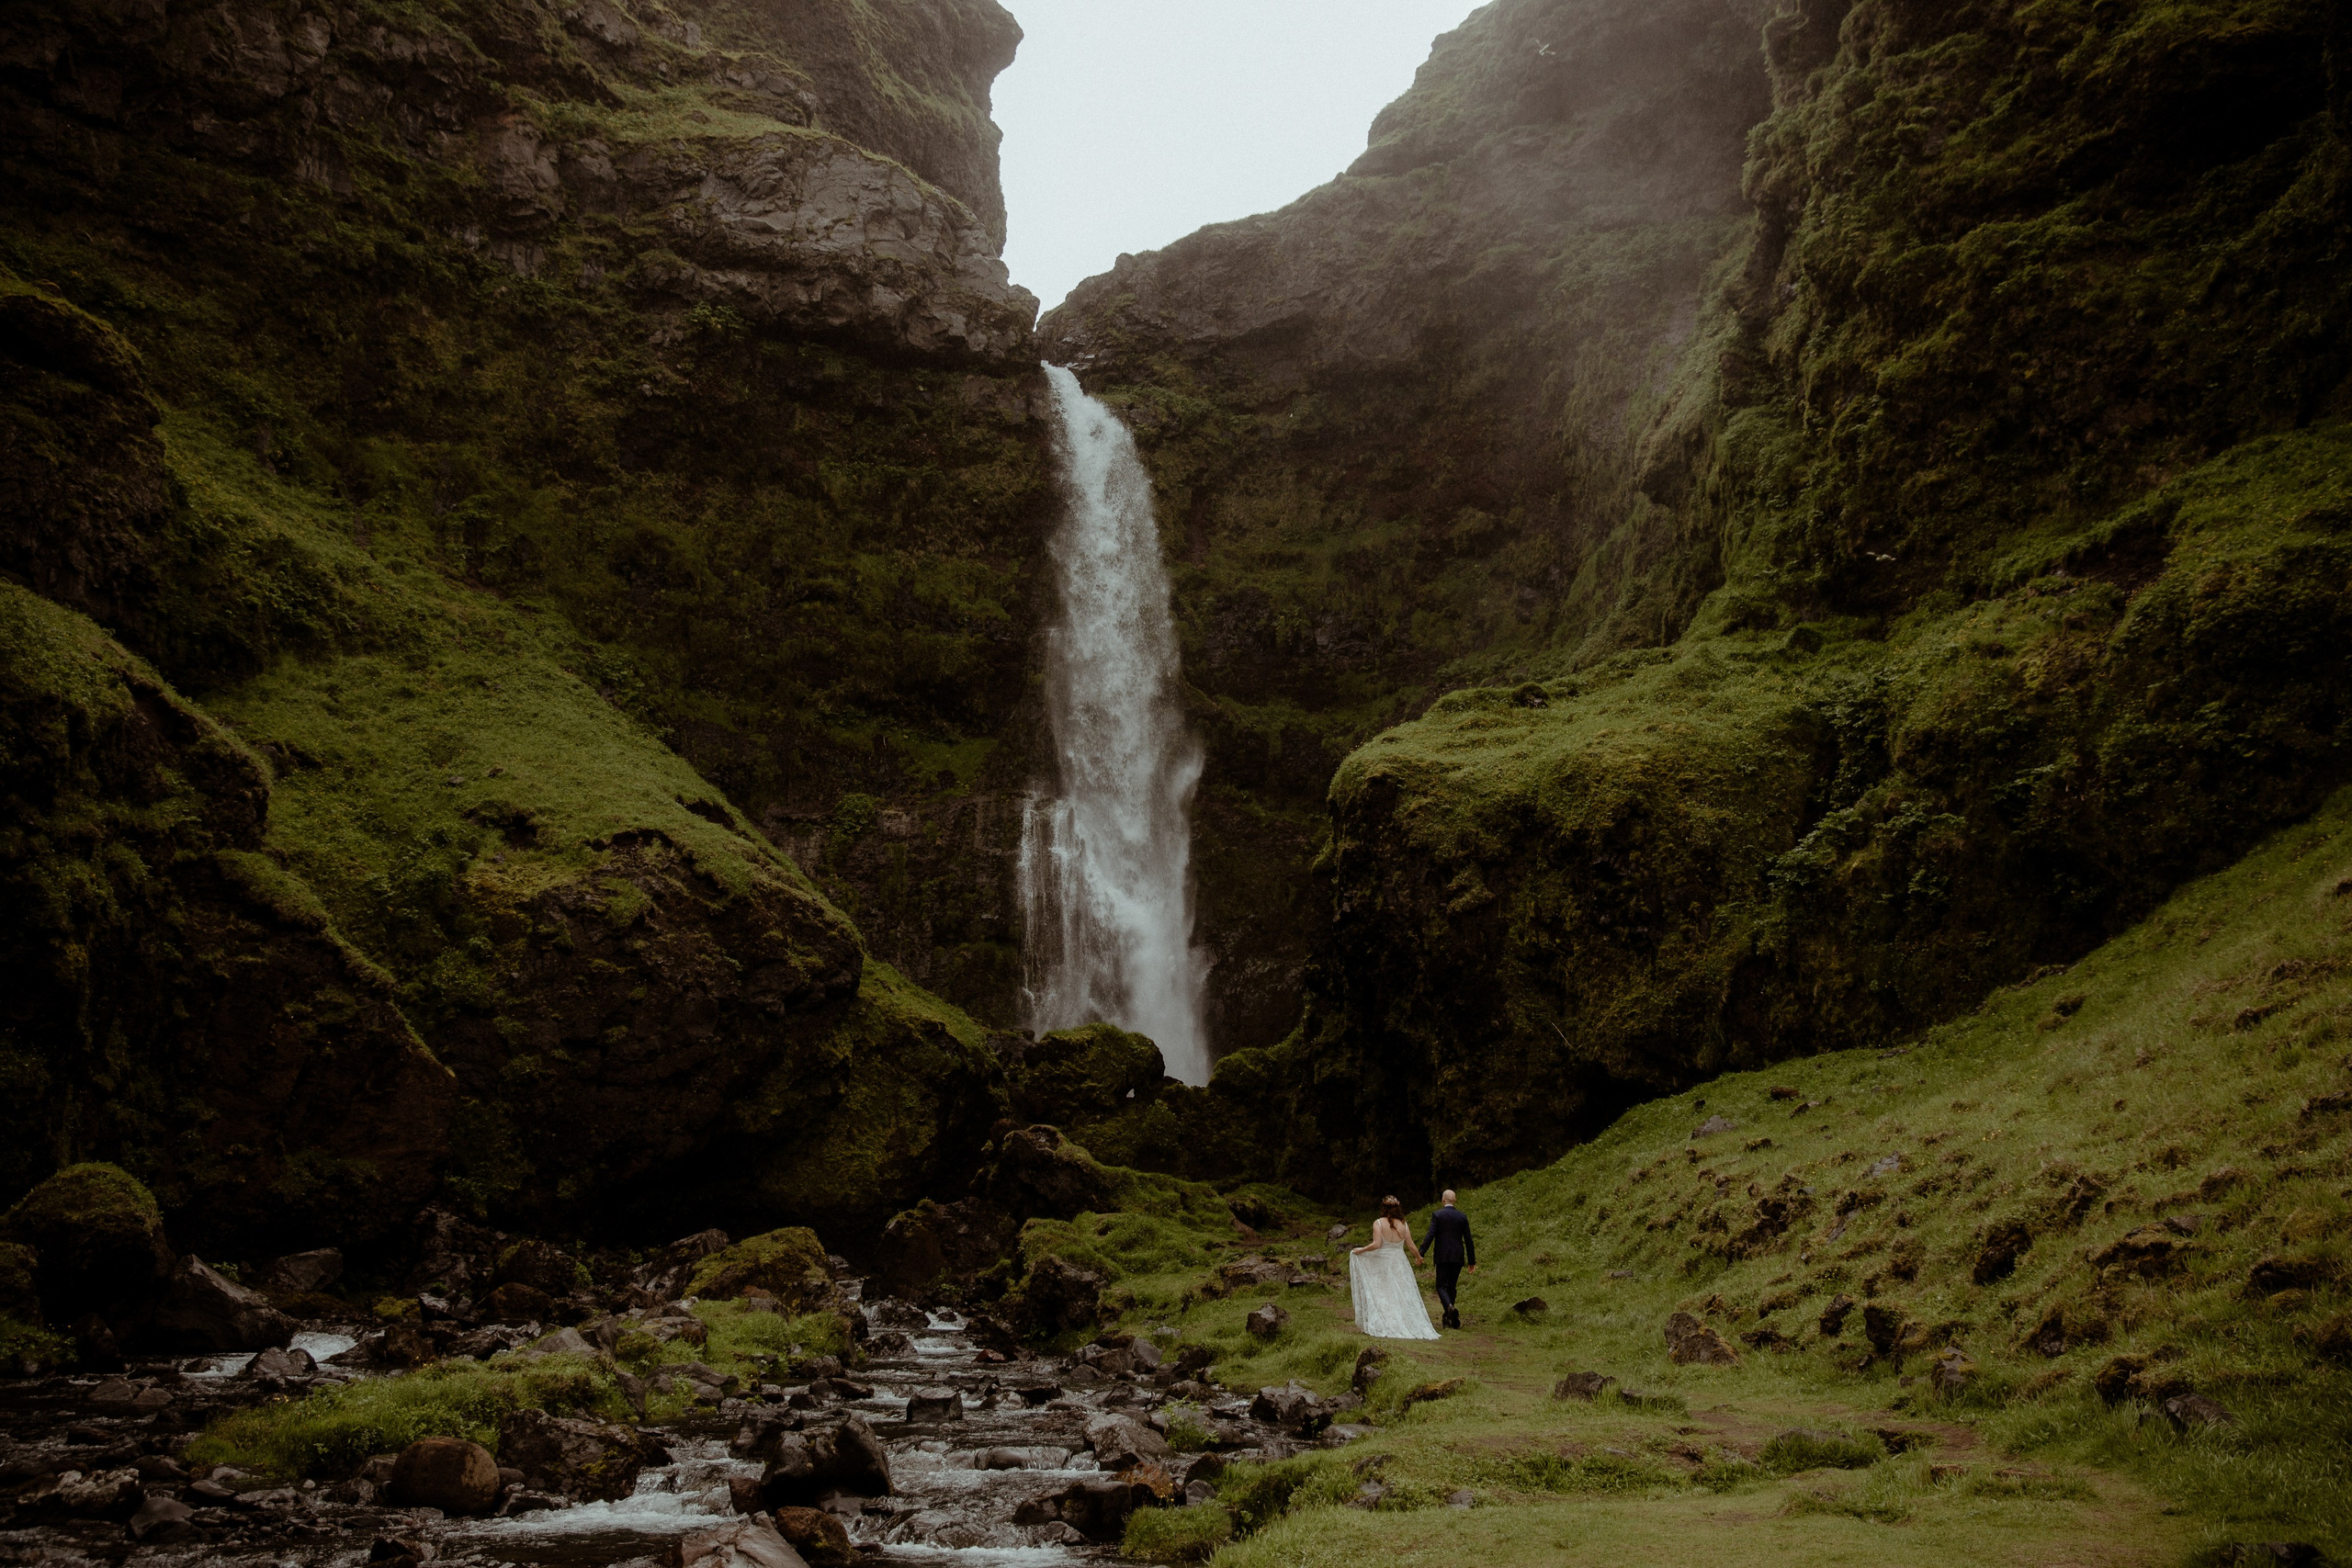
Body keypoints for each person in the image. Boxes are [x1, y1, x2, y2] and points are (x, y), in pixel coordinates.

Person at [1348, 1195, 1439, 1340]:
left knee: (1384, 1292)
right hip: (1400, 1262)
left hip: (1383, 1262)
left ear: (1383, 1208)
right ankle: (1403, 1321)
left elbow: (1377, 1245)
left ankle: (1388, 1321)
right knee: (1402, 1292)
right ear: (1398, 1209)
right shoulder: (1404, 1224)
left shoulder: (1378, 1223)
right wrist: (1418, 1257)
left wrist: (1361, 1250)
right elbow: (1410, 1245)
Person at [1419, 1189, 1476, 1329]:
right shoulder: (1462, 1217)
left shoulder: (1438, 1215)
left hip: (1442, 1256)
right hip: (1457, 1256)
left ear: (1443, 1200)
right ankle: (1448, 1318)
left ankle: (1449, 1308)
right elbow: (1468, 1239)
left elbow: (1430, 1235)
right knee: (1452, 1286)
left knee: (1440, 1286)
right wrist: (1471, 1261)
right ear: (1455, 1200)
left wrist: (1421, 1252)